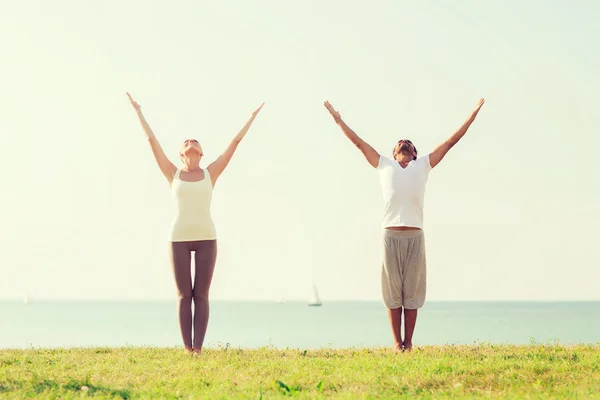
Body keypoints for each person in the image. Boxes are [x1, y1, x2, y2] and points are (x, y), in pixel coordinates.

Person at [324, 98, 485, 351]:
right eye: (400, 143)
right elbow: (357, 142)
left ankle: (408, 343)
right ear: (394, 153)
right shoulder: (383, 164)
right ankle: (397, 343)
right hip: (390, 235)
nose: (404, 142)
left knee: (411, 294)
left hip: (414, 236)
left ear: (414, 154)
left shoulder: (423, 166)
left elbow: (451, 142)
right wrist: (337, 119)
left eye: (409, 143)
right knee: (392, 293)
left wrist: (472, 115)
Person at [127, 92, 264, 354]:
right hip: (178, 237)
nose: (191, 141)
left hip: (206, 238)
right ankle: (187, 349)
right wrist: (138, 112)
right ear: (181, 154)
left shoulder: (210, 173)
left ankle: (198, 350)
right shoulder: (173, 173)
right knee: (183, 296)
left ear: (201, 152)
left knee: (201, 295)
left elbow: (234, 143)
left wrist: (251, 118)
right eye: (186, 141)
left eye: (195, 141)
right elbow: (151, 140)